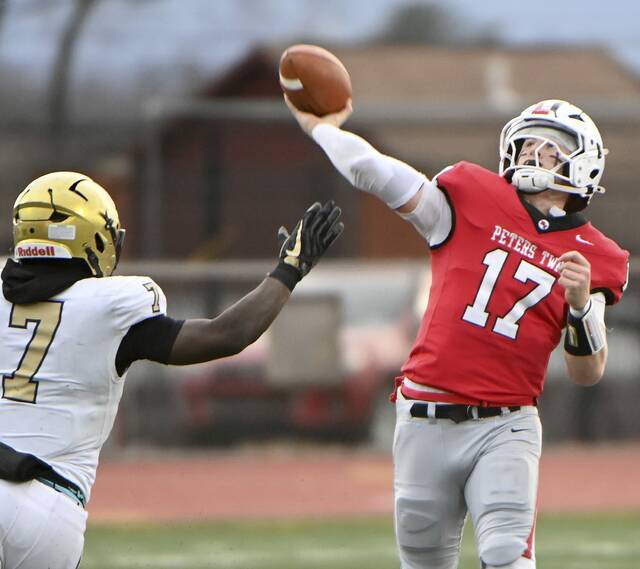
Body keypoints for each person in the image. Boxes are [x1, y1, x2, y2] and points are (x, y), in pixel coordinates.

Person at [285, 97, 629, 569]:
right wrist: (320, 128)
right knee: (423, 562)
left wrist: (579, 308)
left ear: (584, 161)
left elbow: (588, 372)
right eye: (527, 142)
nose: (533, 152)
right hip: (424, 416)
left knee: (508, 557)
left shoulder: (597, 256)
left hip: (506, 424)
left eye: (550, 146)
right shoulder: (469, 197)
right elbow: (374, 170)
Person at [0, 171, 343, 569]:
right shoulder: (111, 305)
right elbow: (227, 335)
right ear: (94, 239)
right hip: (48, 507)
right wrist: (290, 267)